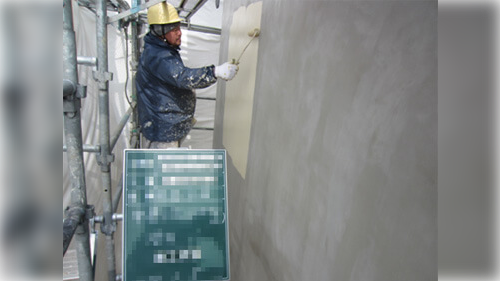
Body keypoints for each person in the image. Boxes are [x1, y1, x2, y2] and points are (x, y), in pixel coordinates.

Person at [136, 2, 238, 148]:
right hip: (163, 132)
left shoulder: (162, 50)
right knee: (164, 169)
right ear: (160, 31)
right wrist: (215, 72)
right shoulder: (159, 56)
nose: (179, 33)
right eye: (174, 29)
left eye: (179, 28)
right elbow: (183, 77)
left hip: (166, 127)